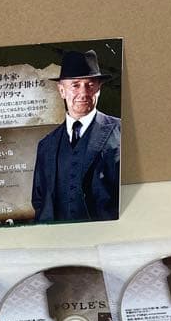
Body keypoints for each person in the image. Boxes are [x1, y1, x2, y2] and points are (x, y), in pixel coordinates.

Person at [31, 49, 121, 223]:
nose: (83, 93)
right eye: (75, 85)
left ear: (99, 89)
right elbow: (39, 199)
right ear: (62, 91)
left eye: (90, 85)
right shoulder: (46, 145)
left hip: (105, 233)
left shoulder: (120, 131)